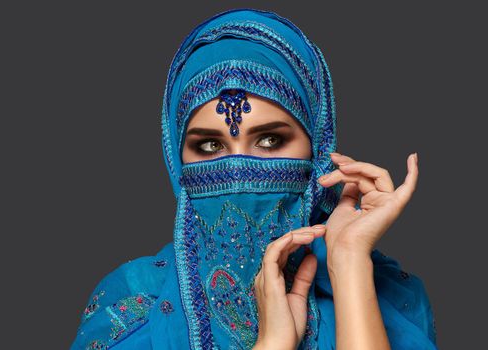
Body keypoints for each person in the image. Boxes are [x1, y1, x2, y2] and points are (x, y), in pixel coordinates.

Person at [70, 8, 437, 350]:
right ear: (177, 162)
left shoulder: (386, 297)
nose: (238, 168)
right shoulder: (133, 309)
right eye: (210, 145)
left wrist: (349, 264)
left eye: (270, 140)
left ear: (318, 149)